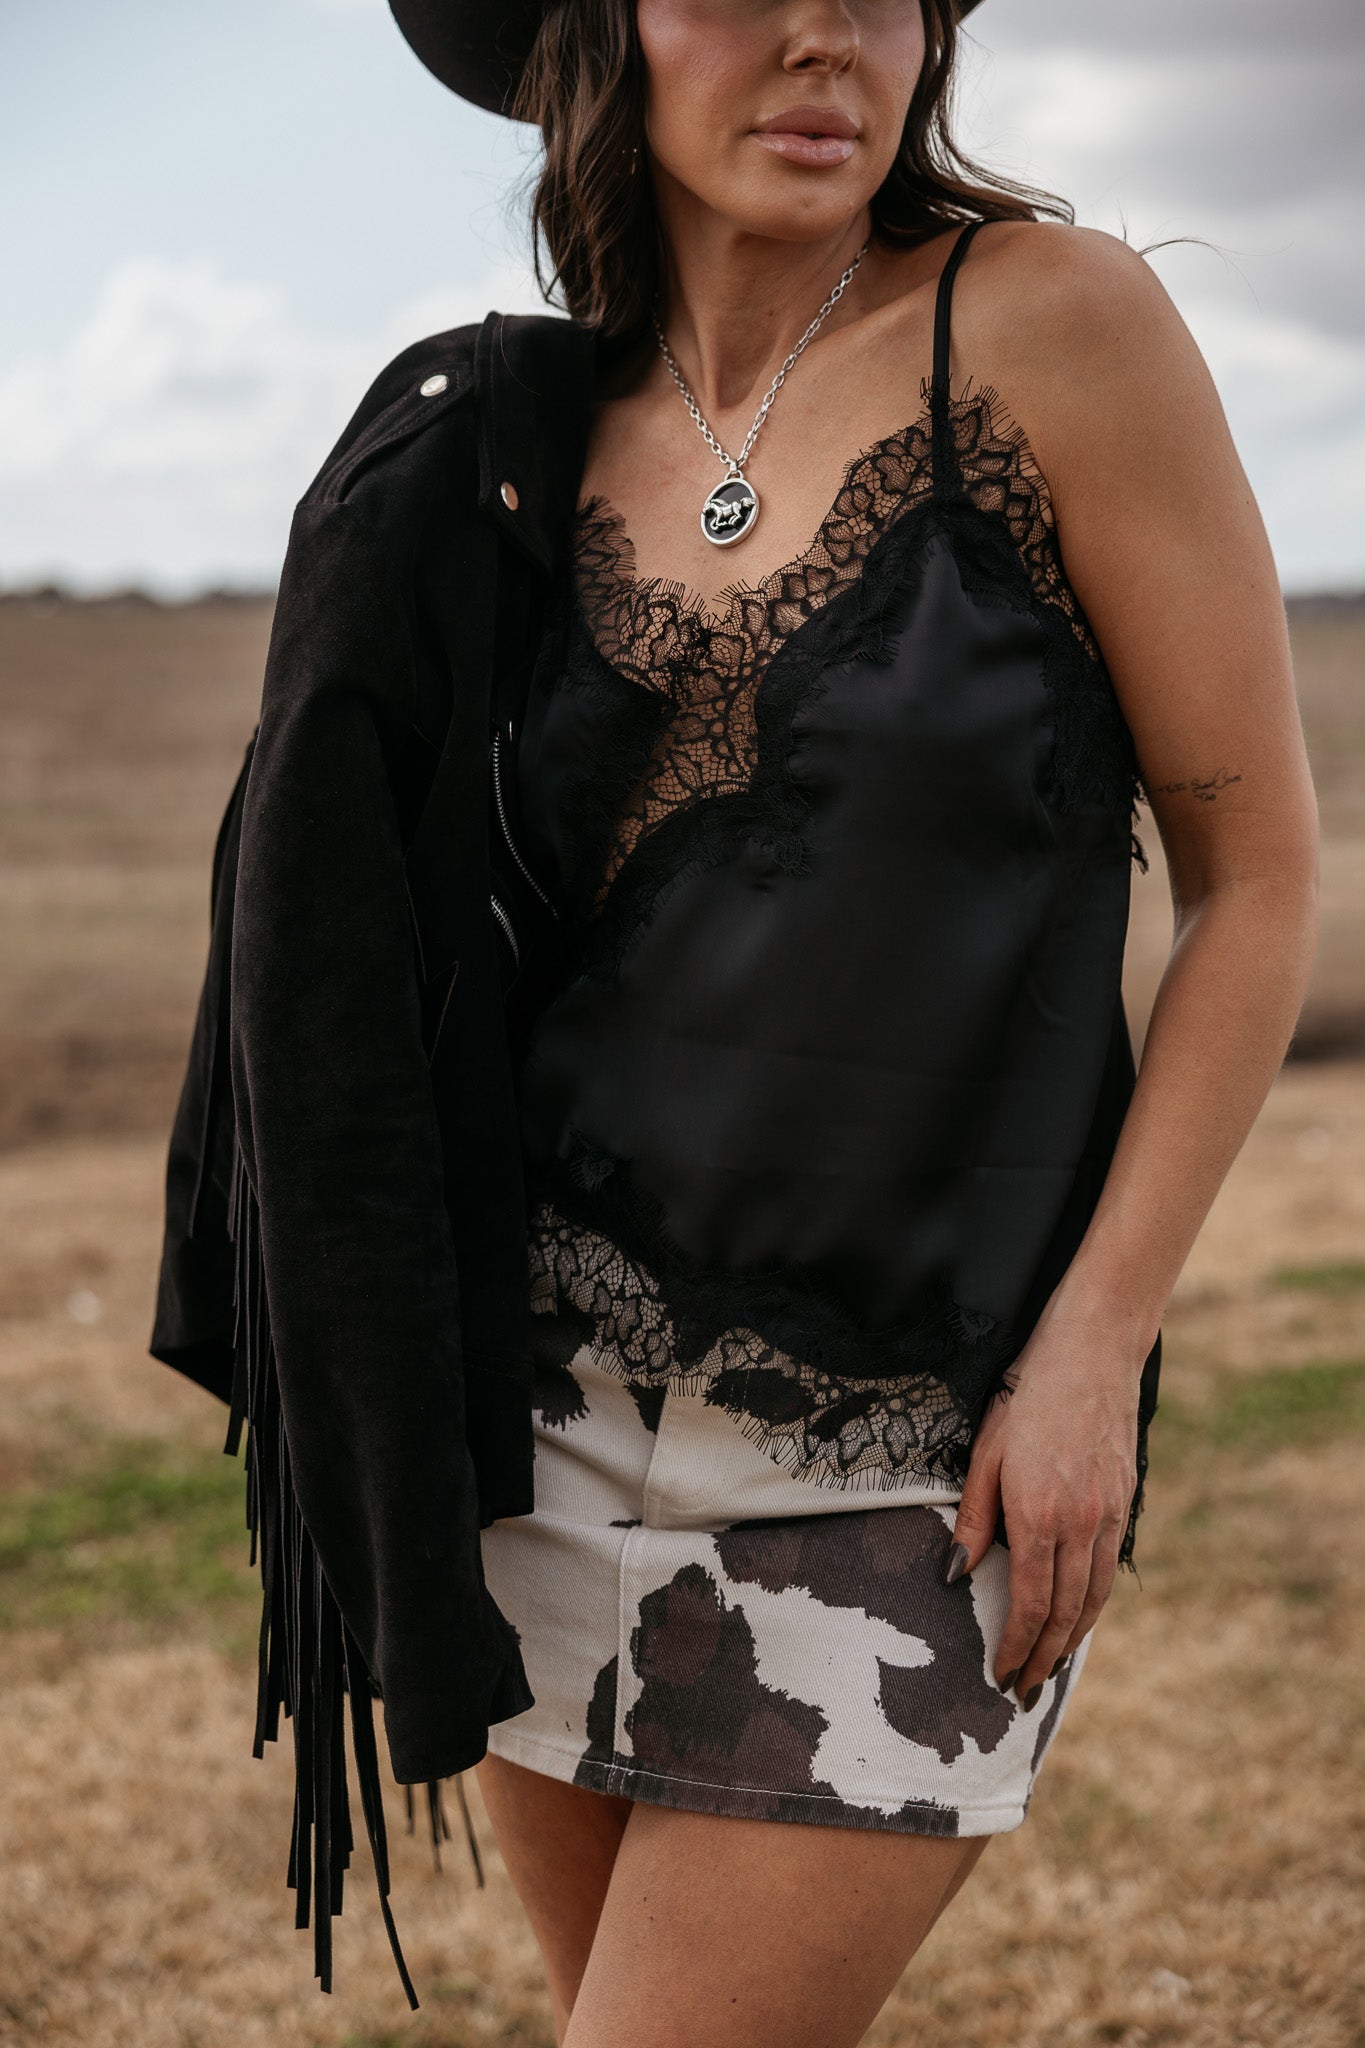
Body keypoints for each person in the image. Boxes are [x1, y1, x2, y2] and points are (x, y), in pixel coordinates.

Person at [151, 0, 1319, 2033]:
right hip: (535, 1440)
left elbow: (1255, 879)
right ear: (594, 30)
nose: (817, 34)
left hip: (902, 1456)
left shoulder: (1049, 325)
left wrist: (1094, 1346)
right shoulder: (513, 440)